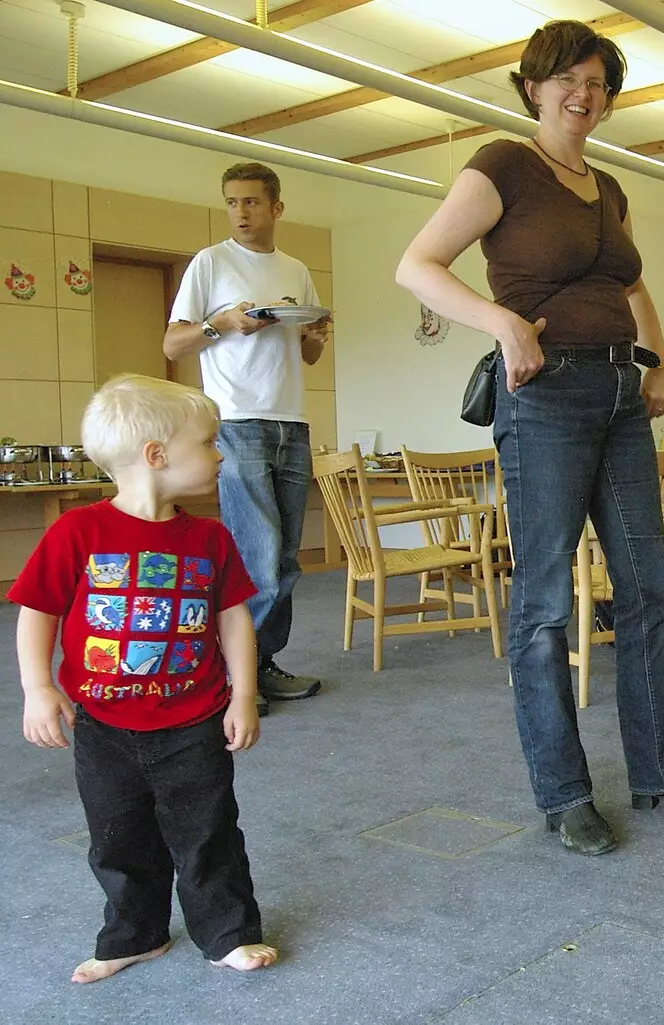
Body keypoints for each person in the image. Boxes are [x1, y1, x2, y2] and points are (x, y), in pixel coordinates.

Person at [395, 19, 664, 858]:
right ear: (533, 87)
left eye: (599, 83)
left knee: (650, 590)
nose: (585, 95)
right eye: (569, 80)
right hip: (545, 398)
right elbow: (418, 265)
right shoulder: (504, 165)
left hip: (622, 395)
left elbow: (632, 282)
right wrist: (504, 324)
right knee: (547, 605)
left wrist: (659, 362)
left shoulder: (609, 188)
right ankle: (564, 792)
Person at [9, 375, 279, 983]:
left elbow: (234, 620)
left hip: (193, 722)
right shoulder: (78, 532)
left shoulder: (210, 538)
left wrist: (243, 695)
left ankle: (227, 933)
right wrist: (38, 687)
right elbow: (37, 611)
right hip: (104, 727)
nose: (219, 455)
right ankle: (135, 935)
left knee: (208, 834)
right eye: (209, 443)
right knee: (117, 840)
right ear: (157, 455)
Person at [164, 162, 329, 715]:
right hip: (235, 421)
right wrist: (223, 324)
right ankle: (231, 677)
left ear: (276, 208)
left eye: (252, 202)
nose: (241, 212)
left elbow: (306, 352)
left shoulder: (296, 268)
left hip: (292, 421)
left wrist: (314, 336)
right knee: (254, 556)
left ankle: (261, 665)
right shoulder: (210, 264)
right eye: (232, 202)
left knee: (285, 559)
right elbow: (173, 345)